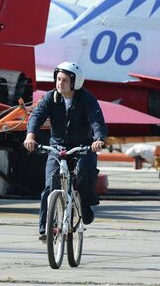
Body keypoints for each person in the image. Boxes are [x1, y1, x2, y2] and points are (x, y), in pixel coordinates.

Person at [23, 61, 108, 239]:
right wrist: (30, 136)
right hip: (57, 146)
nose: (60, 83)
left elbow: (97, 121)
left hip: (83, 146)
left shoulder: (87, 99)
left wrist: (98, 139)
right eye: (58, 79)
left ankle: (85, 204)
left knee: (85, 173)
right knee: (49, 186)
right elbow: (37, 116)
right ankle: (45, 229)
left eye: (64, 80)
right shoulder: (50, 97)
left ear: (75, 83)